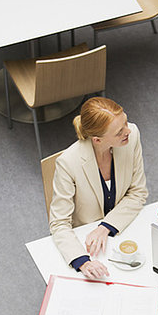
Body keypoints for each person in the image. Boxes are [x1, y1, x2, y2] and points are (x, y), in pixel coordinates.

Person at [49, 97, 148, 279]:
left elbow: (138, 192)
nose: (127, 131)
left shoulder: (131, 135)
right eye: (119, 132)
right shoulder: (68, 163)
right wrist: (82, 261)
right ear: (97, 140)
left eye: (125, 122)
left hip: (121, 229)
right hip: (88, 242)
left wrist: (105, 227)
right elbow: (59, 223)